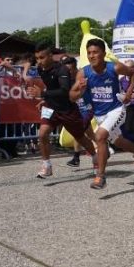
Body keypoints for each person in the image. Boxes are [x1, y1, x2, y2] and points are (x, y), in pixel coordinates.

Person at [70, 39, 134, 189]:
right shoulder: (83, 73)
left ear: (104, 54)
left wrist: (128, 93)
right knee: (118, 141)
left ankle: (100, 177)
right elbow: (71, 96)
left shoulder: (114, 67)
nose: (92, 56)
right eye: (89, 53)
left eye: (95, 52)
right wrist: (81, 91)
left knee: (100, 136)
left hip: (117, 109)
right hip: (100, 114)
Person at [26, 42, 98, 180]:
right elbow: (51, 88)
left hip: (67, 110)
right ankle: (47, 166)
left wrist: (43, 94)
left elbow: (65, 91)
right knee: (42, 134)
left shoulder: (62, 70)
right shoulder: (40, 68)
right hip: (51, 108)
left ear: (50, 56)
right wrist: (45, 100)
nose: (39, 61)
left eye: (42, 57)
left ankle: (95, 158)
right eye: (37, 58)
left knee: (80, 137)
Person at [60, 56, 96, 168]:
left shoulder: (83, 77)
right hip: (75, 110)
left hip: (87, 109)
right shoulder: (65, 79)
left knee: (78, 131)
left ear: (76, 68)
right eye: (66, 70)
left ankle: (76, 158)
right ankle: (103, 146)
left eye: (70, 70)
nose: (68, 73)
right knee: (89, 133)